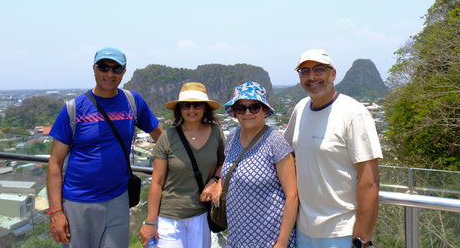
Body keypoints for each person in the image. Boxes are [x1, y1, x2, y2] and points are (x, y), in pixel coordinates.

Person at [47, 47, 163, 248]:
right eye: (104, 67)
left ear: (124, 72)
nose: (110, 74)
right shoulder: (74, 109)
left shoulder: (132, 102)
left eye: (116, 69)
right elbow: (55, 163)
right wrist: (56, 212)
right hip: (79, 202)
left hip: (118, 198)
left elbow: (162, 139)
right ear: (94, 68)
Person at [283, 49, 383, 248]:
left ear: (333, 74)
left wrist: (361, 240)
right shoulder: (301, 108)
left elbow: (370, 182)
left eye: (319, 69)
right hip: (302, 230)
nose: (312, 76)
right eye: (304, 71)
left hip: (341, 233)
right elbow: (283, 152)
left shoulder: (354, 113)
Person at [139, 82, 225, 248]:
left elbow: (223, 163)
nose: (191, 110)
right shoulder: (168, 137)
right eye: (186, 104)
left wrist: (214, 180)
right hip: (169, 217)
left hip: (201, 215)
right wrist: (150, 223)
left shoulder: (216, 133)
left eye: (197, 104)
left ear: (205, 107)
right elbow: (156, 182)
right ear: (179, 108)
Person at [222, 81, 298, 248]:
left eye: (254, 107)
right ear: (235, 112)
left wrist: (282, 243)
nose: (247, 112)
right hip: (237, 238)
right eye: (241, 108)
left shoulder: (275, 142)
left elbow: (292, 196)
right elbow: (228, 170)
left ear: (264, 110)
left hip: (268, 240)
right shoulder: (232, 136)